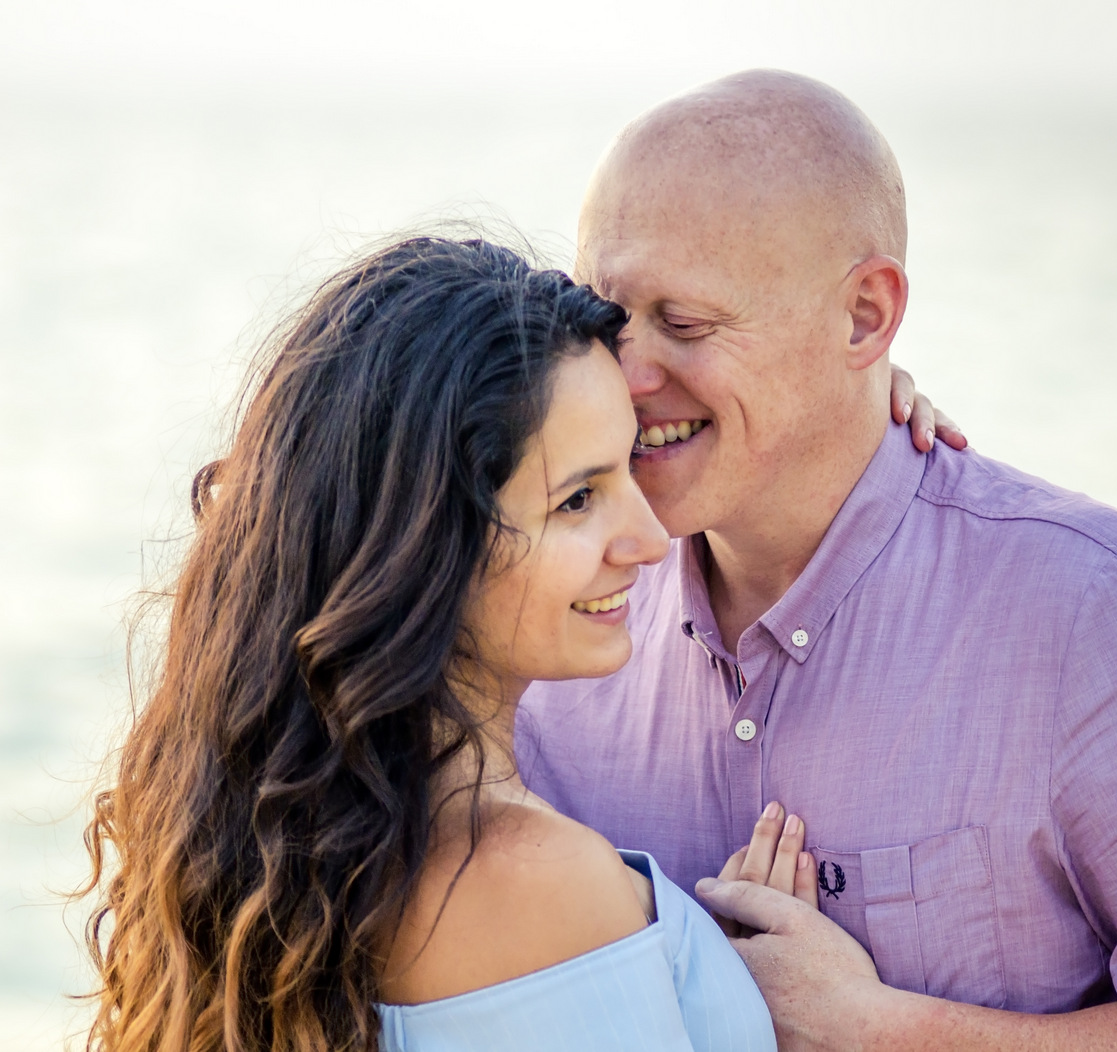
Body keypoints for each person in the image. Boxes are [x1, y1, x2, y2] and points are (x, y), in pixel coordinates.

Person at [517, 70, 1117, 1050]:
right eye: (606, 316)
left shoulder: (1102, 611)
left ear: (864, 317)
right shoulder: (545, 619)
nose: (629, 375)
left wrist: (873, 1029)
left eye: (686, 324)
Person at [80, 236, 845, 1052]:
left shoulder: (302, 838)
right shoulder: (526, 881)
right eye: (579, 499)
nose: (650, 539)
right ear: (425, 544)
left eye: (631, 462)